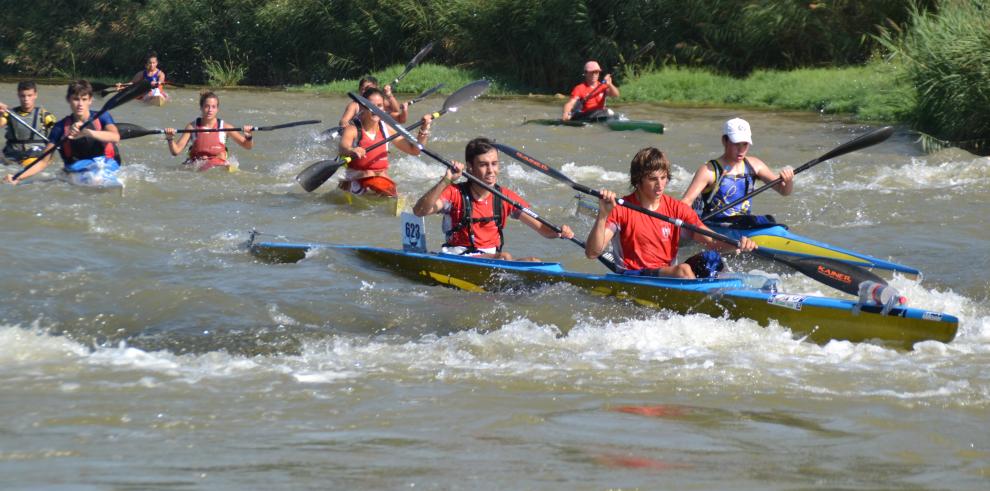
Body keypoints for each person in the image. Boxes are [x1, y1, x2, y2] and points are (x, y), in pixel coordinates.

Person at [585, 147, 757, 279]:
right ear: (638, 180)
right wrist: (603, 215)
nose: (660, 185)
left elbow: (711, 241)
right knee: (683, 271)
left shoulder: (677, 209)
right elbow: (592, 253)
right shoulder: (621, 209)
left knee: (711, 259)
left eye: (664, 177)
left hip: (667, 274)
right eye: (653, 179)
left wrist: (737, 244)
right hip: (633, 275)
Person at [413, 137, 575, 260]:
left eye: (494, 164)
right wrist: (446, 180)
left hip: (493, 259)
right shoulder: (454, 193)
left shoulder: (505, 197)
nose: (491, 170)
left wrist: (559, 232)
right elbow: (420, 211)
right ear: (470, 166)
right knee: (505, 257)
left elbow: (541, 228)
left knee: (535, 261)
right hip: (458, 257)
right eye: (484, 165)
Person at [3, 80, 121, 186]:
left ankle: (104, 182)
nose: (80, 104)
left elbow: (115, 137)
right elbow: (44, 161)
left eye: (84, 99)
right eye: (75, 99)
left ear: (90, 100)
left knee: (97, 177)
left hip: (103, 164)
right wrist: (17, 177)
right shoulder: (60, 127)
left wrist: (87, 132)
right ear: (68, 100)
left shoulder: (102, 117)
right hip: (76, 169)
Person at [680, 118, 795, 223]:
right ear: (724, 141)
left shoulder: (755, 165)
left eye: (745, 144)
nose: (741, 150)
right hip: (714, 225)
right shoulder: (708, 171)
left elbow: (783, 191)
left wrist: (788, 181)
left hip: (743, 223)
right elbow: (686, 202)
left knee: (768, 220)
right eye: (736, 144)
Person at [337, 87, 431, 197]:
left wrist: (424, 129)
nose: (375, 110)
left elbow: (415, 150)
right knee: (369, 173)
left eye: (379, 106)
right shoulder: (352, 129)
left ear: (384, 108)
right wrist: (352, 150)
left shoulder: (387, 129)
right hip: (356, 177)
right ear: (362, 106)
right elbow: (343, 147)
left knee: (384, 178)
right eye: (371, 106)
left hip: (380, 178)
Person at [164, 91, 253, 171]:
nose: (210, 110)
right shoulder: (192, 127)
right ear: (201, 108)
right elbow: (176, 151)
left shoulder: (225, 127)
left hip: (218, 163)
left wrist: (248, 136)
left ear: (217, 109)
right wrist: (170, 138)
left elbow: (247, 146)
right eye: (207, 106)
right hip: (197, 164)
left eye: (213, 107)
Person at [1, 80, 57, 166]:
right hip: (13, 154)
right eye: (23, 96)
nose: (26, 99)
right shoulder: (8, 114)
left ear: (35, 95)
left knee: (29, 163)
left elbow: (60, 132)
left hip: (35, 154)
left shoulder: (44, 115)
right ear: (18, 96)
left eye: (29, 95)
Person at [337, 76, 407, 127]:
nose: (366, 92)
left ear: (376, 89)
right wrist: (351, 128)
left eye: (369, 88)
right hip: (360, 132)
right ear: (359, 90)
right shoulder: (354, 105)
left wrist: (389, 95)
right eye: (363, 89)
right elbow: (343, 122)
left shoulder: (380, 103)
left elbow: (396, 111)